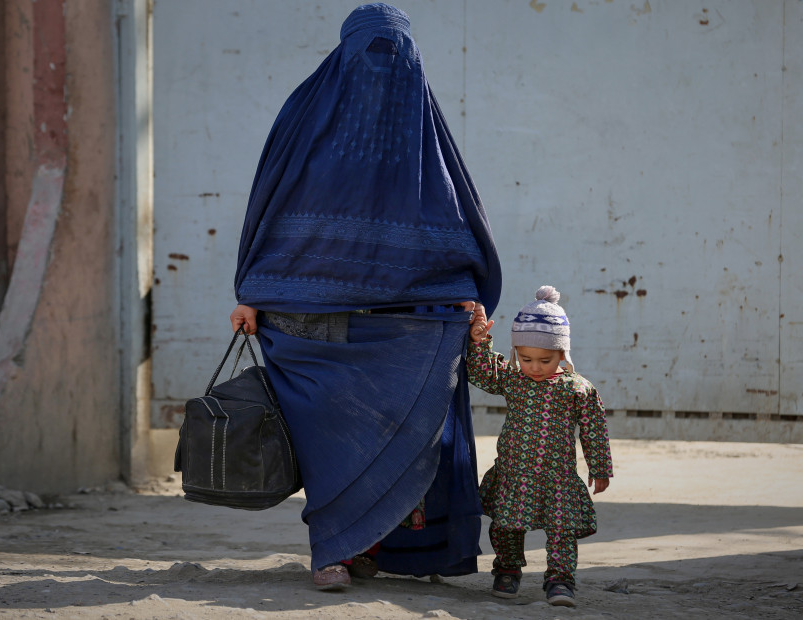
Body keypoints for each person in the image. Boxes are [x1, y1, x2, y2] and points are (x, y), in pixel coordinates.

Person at [229, 3, 502, 590]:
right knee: (328, 441)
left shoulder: (422, 132)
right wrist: (251, 292)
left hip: (401, 322)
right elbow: (268, 205)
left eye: (394, 54)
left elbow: (454, 219)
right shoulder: (303, 118)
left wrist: (463, 295)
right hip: (306, 316)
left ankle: (379, 548)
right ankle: (331, 552)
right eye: (370, 52)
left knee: (403, 431)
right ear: (344, 51)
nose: (383, 68)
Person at [466, 285, 613, 607]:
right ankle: (507, 569)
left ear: (563, 353)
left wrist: (600, 469)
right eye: (526, 358)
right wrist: (479, 341)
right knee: (505, 526)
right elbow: (481, 373)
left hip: (557, 477)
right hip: (514, 473)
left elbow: (594, 430)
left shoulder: (577, 388)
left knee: (562, 531)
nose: (534, 367)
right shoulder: (513, 380)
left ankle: (560, 580)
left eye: (544, 360)